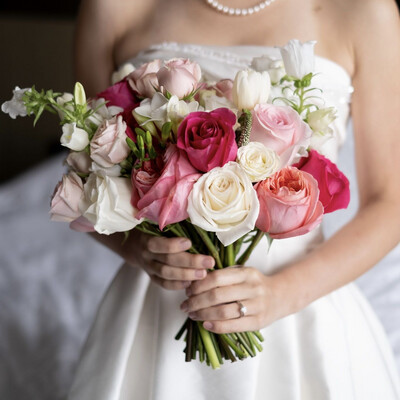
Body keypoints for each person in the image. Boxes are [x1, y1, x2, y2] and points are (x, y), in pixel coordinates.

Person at [70, 0, 400, 398]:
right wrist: (142, 249)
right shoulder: (113, 8)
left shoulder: (364, 11)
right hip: (163, 306)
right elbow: (84, 185)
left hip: (301, 302)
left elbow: (390, 203)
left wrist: (281, 295)